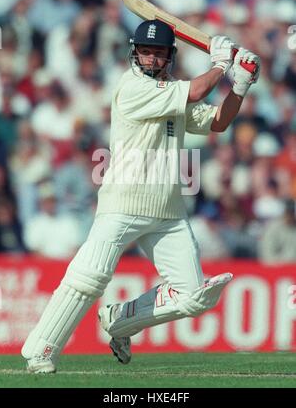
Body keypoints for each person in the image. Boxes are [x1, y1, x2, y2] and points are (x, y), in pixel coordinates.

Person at [21, 19, 260, 372]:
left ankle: (120, 322)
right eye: (145, 51)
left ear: (168, 57)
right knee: (91, 277)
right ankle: (41, 349)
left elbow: (218, 122)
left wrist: (239, 86)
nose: (150, 58)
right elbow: (194, 93)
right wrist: (222, 64)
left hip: (168, 211)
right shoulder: (131, 87)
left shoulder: (170, 91)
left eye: (158, 52)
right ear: (135, 53)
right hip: (123, 202)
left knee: (193, 297)